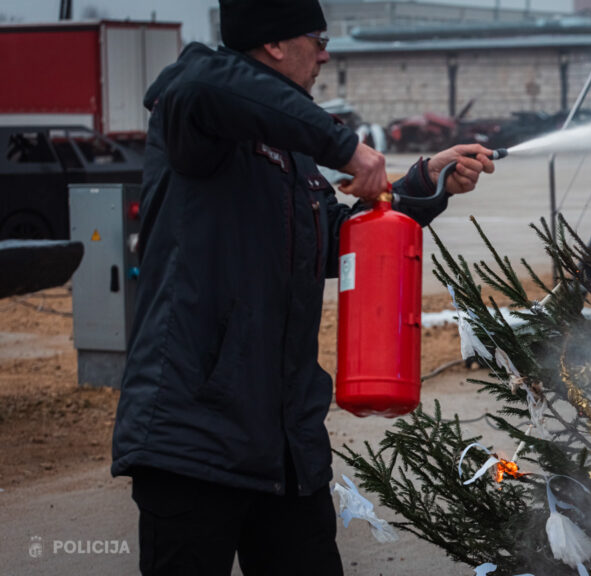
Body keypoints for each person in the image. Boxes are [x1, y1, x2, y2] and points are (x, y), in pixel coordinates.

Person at [110, 0, 495, 574]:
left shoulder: (290, 150)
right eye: (316, 38)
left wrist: (423, 181)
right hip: (192, 440)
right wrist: (343, 145)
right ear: (273, 44)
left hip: (284, 448)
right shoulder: (195, 106)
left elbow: (340, 240)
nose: (325, 52)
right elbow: (205, 79)